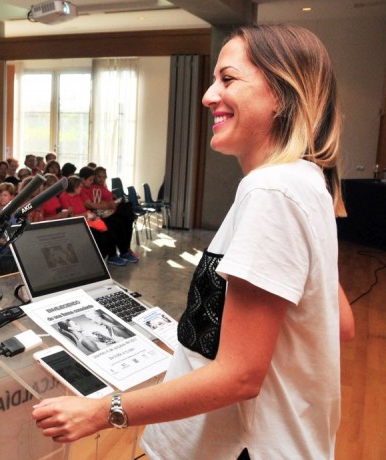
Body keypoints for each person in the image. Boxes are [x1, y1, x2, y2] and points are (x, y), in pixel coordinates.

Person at [32, 25, 356, 460]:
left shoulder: (273, 191)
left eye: (228, 78)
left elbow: (239, 376)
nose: (208, 96)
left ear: (280, 92)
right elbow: (340, 323)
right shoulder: (304, 180)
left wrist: (102, 411)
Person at [59, 176, 125, 266]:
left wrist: (90, 215)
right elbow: (71, 217)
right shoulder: (64, 197)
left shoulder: (77, 196)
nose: (81, 189)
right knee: (102, 238)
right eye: (79, 187)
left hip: (87, 220)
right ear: (74, 187)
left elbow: (84, 210)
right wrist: (85, 215)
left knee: (110, 233)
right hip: (78, 224)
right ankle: (98, 261)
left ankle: (106, 257)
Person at [79, 166, 138, 264]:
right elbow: (91, 204)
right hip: (94, 215)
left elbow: (108, 200)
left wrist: (108, 204)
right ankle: (114, 255)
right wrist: (107, 205)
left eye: (104, 177)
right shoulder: (84, 189)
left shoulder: (99, 187)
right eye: (95, 178)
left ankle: (124, 251)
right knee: (115, 224)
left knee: (124, 220)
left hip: (103, 212)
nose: (101, 179)